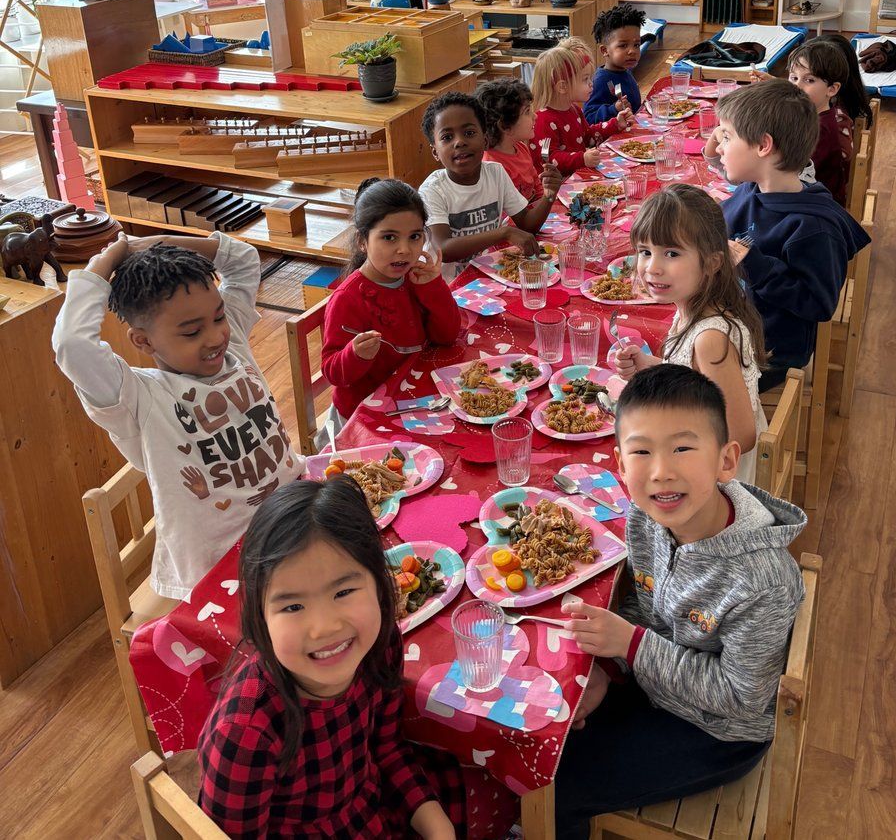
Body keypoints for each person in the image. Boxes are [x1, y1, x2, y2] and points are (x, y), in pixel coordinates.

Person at [554, 365, 806, 839]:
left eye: (684, 448)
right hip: (655, 684)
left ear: (726, 460)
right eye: (642, 452)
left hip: (717, 732)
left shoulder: (763, 579)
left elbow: (740, 698)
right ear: (621, 466)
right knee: (544, 736)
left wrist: (630, 648)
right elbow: (642, 606)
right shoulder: (647, 516)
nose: (662, 471)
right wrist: (609, 672)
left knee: (558, 788)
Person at [198, 476, 517, 839]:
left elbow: (387, 748)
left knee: (497, 792)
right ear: (259, 615)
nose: (323, 627)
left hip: (371, 809)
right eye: (293, 605)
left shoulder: (378, 645)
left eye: (344, 591)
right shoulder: (245, 732)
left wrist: (439, 829)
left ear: (382, 583)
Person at [52, 233, 303, 600]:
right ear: (144, 341)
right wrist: (104, 263)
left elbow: (245, 260)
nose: (216, 335)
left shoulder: (232, 346)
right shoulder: (137, 398)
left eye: (218, 317)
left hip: (290, 518)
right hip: (224, 565)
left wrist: (161, 242)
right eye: (192, 331)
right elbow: (72, 345)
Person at [714, 79, 870, 391]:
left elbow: (819, 304)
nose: (719, 146)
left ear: (763, 146)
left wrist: (757, 265)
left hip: (770, 353)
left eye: (727, 137)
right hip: (729, 324)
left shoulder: (813, 228)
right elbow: (720, 225)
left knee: (680, 386)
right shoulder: (750, 188)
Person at [611, 186, 767, 483]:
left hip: (717, 486)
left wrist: (674, 445)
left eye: (671, 253)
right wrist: (652, 366)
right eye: (645, 252)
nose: (652, 268)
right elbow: (697, 380)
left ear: (711, 263)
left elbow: (742, 436)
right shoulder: (691, 308)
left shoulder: (711, 338)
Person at [320, 178, 462, 419]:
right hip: (364, 416)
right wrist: (354, 354)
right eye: (389, 238)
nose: (404, 250)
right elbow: (332, 372)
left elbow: (447, 336)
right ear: (362, 242)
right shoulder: (347, 299)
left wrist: (433, 288)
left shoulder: (416, 278)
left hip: (417, 397)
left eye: (415, 237)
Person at [419, 91, 551, 280]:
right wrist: (504, 233)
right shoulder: (433, 190)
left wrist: (549, 195)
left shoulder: (495, 173)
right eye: (447, 137)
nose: (459, 142)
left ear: (485, 139)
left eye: (469, 133)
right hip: (446, 287)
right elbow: (443, 249)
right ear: (435, 152)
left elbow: (527, 224)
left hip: (484, 275)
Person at [531, 44, 631, 176]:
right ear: (562, 86)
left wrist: (615, 124)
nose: (591, 83)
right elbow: (549, 159)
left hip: (578, 176)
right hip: (557, 188)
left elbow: (588, 136)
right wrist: (582, 159)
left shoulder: (574, 110)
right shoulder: (542, 120)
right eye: (585, 79)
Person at [787, 39, 857, 207]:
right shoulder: (814, 115)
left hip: (817, 207)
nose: (797, 86)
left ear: (831, 89)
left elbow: (790, 177)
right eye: (794, 77)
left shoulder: (820, 130)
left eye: (809, 80)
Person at [477, 77, 562, 204]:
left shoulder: (520, 147)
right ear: (505, 126)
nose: (535, 116)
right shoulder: (492, 167)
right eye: (527, 111)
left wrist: (547, 196)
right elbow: (505, 216)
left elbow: (537, 187)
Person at [584, 3, 645, 123]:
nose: (632, 51)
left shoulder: (625, 71)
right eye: (623, 46)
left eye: (636, 45)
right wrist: (613, 109)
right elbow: (588, 117)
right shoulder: (600, 81)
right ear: (605, 50)